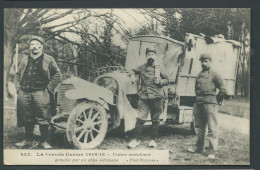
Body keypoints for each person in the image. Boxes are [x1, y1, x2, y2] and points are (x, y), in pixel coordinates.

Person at [14, 35, 62, 149]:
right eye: (32, 45)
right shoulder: (25, 59)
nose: (34, 47)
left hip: (41, 93)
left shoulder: (49, 59)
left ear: (41, 47)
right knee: (27, 117)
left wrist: (48, 88)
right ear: (30, 47)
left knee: (43, 118)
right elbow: (17, 75)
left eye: (37, 45)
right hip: (24, 92)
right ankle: (28, 140)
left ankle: (44, 141)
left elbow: (57, 75)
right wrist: (18, 89)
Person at [187, 53, 228, 159]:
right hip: (199, 104)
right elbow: (196, 89)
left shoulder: (215, 74)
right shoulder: (199, 75)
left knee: (212, 128)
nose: (203, 63)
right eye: (202, 61)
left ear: (210, 61)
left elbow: (223, 89)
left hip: (210, 105)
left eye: (205, 61)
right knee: (199, 127)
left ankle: (212, 151)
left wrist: (216, 100)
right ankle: (199, 148)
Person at [127, 47, 169, 148]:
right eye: (149, 54)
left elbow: (167, 79)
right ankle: (136, 139)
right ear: (146, 56)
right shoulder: (142, 67)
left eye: (152, 54)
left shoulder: (160, 67)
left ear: (155, 56)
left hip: (156, 97)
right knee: (140, 118)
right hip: (144, 97)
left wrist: (160, 82)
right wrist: (132, 75)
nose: (150, 56)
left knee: (155, 120)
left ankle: (153, 140)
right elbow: (131, 70)